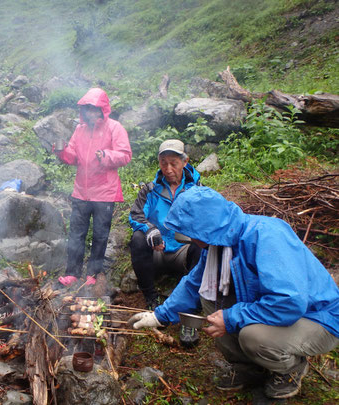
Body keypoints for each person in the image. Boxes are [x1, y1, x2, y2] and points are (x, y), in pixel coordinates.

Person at [128, 187, 339, 400]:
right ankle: (251, 367)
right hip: (281, 310)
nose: (191, 239)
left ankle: (290, 369)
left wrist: (231, 317)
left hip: (317, 317)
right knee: (209, 296)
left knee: (253, 337)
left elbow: (289, 301)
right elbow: (193, 284)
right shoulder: (218, 242)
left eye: (191, 233)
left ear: (204, 228)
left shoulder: (265, 235)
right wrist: (159, 315)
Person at [54, 88, 132, 287]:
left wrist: (106, 156)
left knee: (100, 235)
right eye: (87, 109)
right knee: (76, 234)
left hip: (104, 193)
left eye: (94, 109)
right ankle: (72, 273)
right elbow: (73, 157)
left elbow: (125, 155)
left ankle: (93, 274)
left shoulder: (115, 128)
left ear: (103, 109)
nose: (90, 113)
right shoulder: (79, 130)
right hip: (81, 191)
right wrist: (62, 152)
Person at [128, 139, 202, 347]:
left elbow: (207, 221)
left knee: (201, 248)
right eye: (163, 163)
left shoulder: (196, 190)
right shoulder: (150, 190)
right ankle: (152, 299)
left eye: (174, 163)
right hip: (157, 251)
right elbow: (135, 215)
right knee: (137, 239)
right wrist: (150, 229)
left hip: (183, 251)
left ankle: (189, 313)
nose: (168, 169)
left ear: (185, 162)